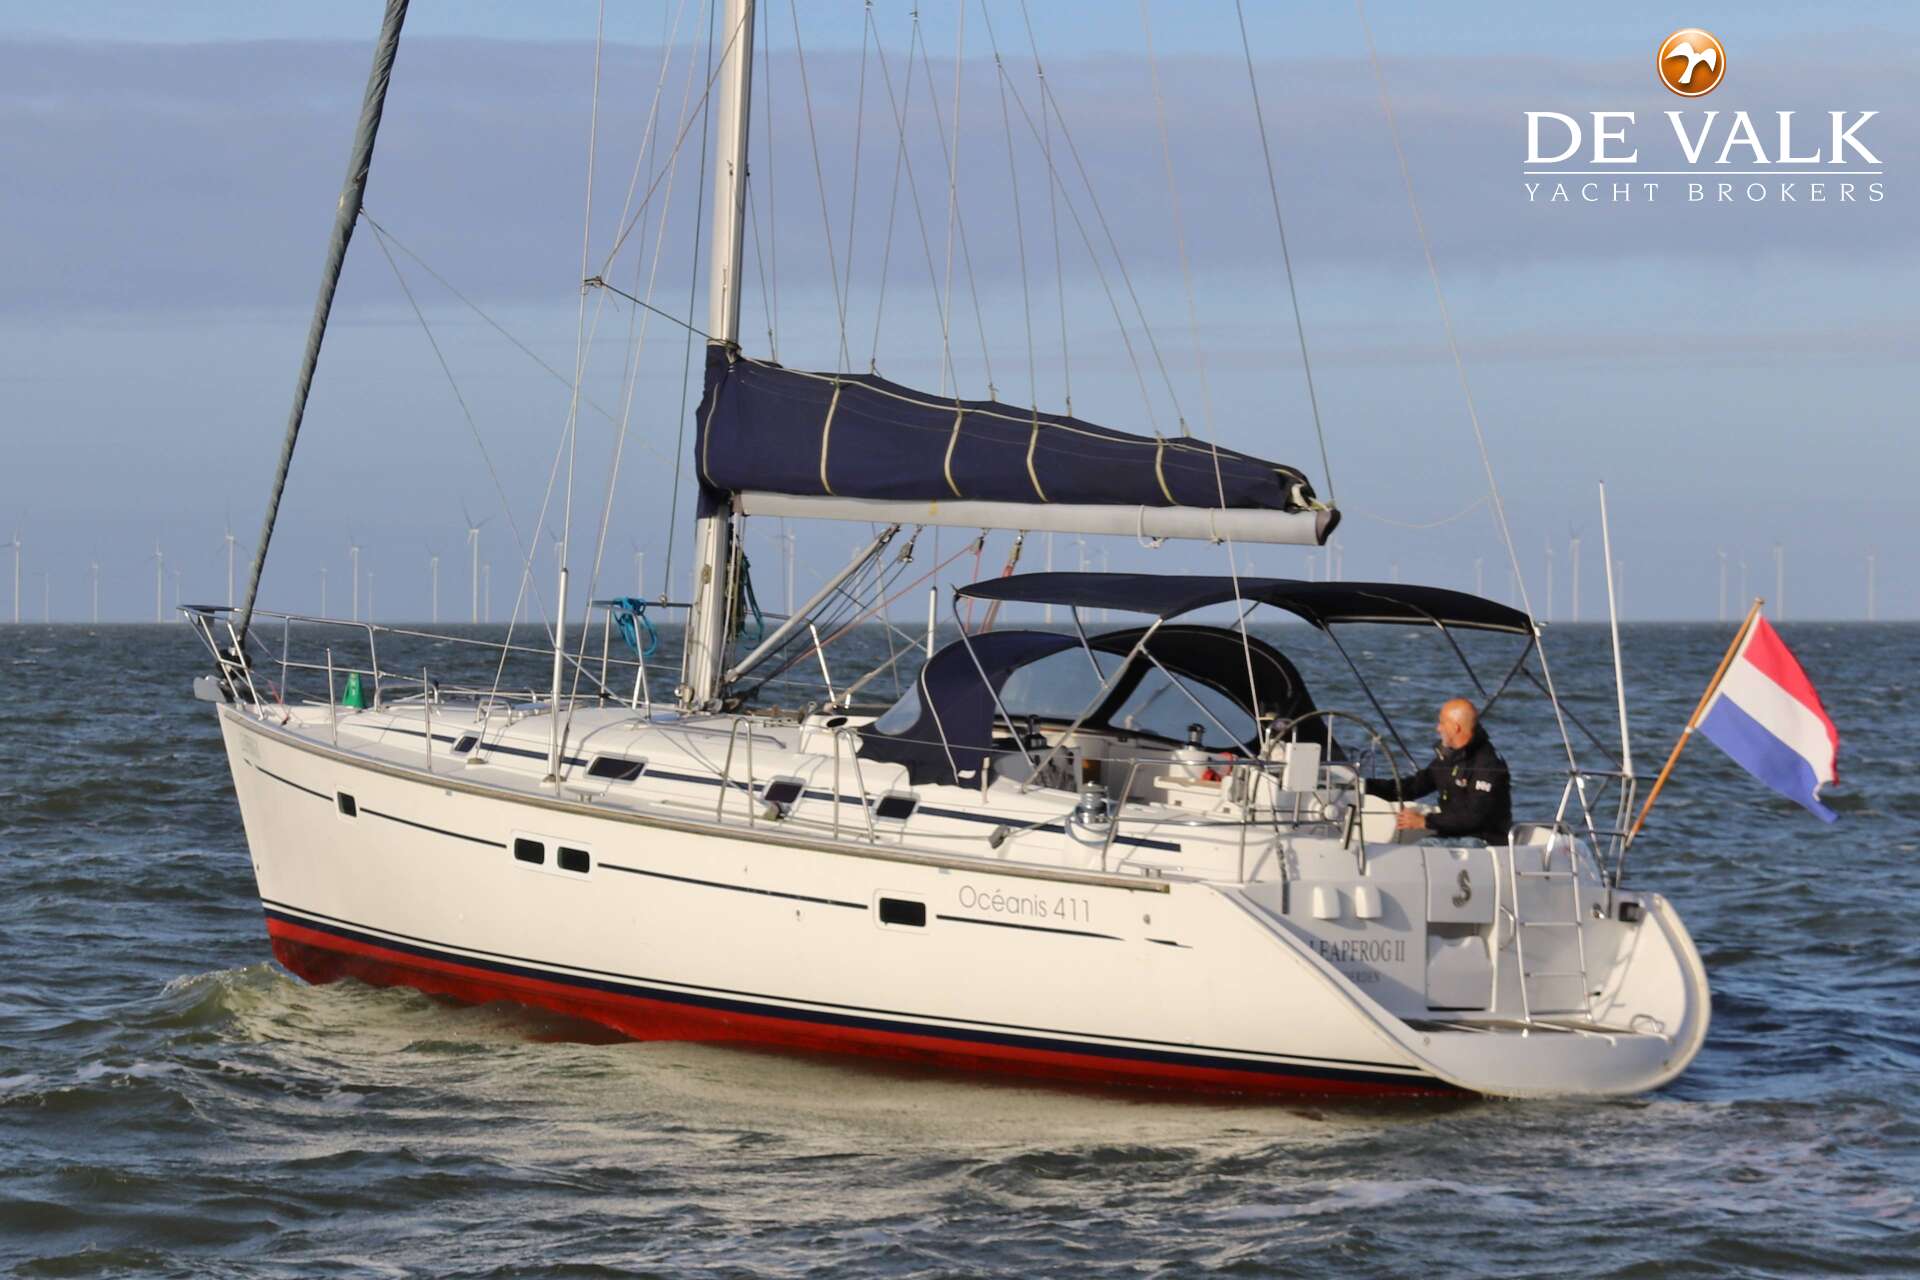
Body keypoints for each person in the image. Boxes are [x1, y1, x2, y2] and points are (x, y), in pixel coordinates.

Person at [1365, 698, 1512, 845]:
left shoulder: (1487, 763)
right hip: (1451, 835)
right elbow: (1413, 786)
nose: (1438, 728)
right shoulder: (1450, 758)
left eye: (1442, 723)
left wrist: (1425, 821)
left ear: (1455, 728)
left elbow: (1475, 817)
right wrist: (1365, 786)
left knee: (1416, 850)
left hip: (1482, 839)